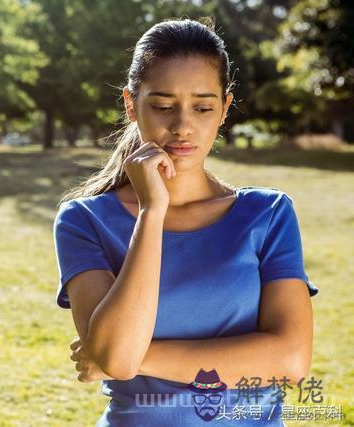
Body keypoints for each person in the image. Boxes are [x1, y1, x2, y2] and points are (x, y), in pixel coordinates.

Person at [53, 19, 318, 426]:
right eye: (161, 106)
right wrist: (151, 212)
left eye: (203, 106)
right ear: (130, 103)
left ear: (225, 108)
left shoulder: (267, 215)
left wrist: (132, 359)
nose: (182, 126)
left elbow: (290, 360)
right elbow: (117, 357)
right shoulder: (84, 221)